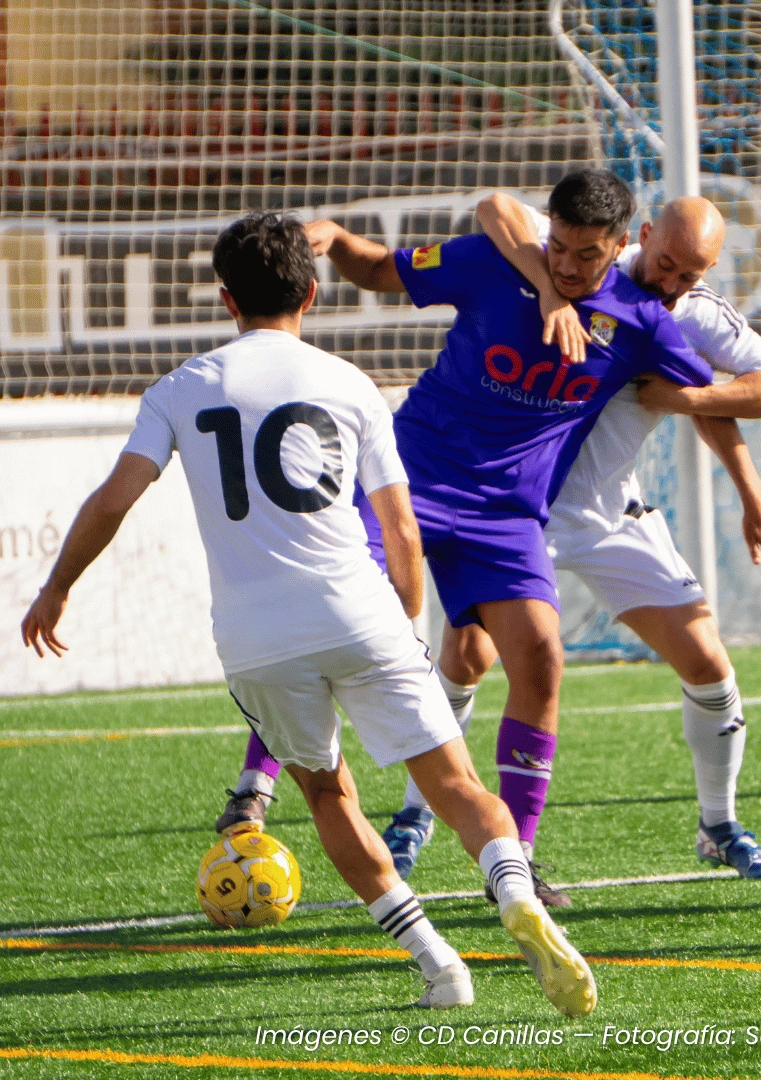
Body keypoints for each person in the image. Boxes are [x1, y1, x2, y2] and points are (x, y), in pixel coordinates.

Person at [20, 213, 597, 1015]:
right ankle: (512, 892)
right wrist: (404, 618)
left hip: (256, 640)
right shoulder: (350, 384)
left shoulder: (181, 390)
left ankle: (439, 967)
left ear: (226, 300)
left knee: (330, 797)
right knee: (457, 784)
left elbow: (113, 500)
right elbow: (400, 528)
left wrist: (57, 587)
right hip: (359, 612)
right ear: (313, 293)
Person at [221, 172, 718, 907]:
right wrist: (336, 239)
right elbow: (383, 269)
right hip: (410, 480)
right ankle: (253, 786)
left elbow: (753, 390)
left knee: (543, 656)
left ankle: (515, 863)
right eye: (559, 245)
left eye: (588, 255)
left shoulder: (640, 319)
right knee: (326, 609)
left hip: (507, 517)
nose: (569, 265)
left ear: (620, 247)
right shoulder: (495, 261)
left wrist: (681, 401)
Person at [362, 192, 761, 887]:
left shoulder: (685, 312)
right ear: (642, 234)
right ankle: (418, 813)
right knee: (467, 655)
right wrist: (545, 287)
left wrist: (720, 447)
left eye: (692, 272)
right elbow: (498, 209)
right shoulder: (576, 255)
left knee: (708, 662)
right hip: (512, 508)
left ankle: (718, 825)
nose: (674, 281)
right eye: (666, 263)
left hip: (606, 514)